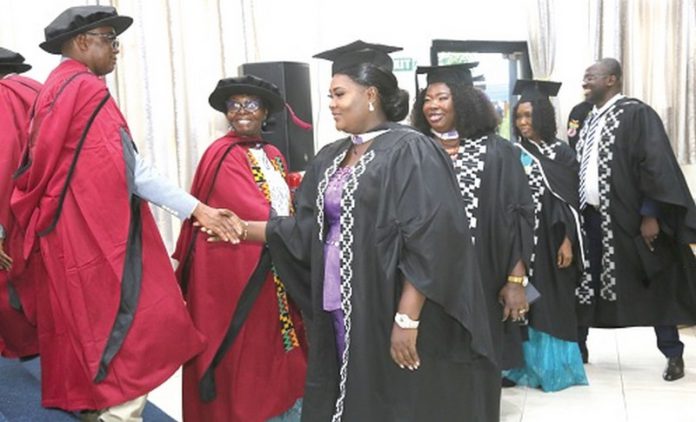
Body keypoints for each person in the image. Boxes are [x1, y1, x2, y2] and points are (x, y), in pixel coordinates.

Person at [219, 41, 497, 421]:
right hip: (340, 302)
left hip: (389, 303)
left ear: (370, 95)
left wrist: (406, 318)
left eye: (339, 94)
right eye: (330, 95)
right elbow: (305, 230)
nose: (331, 103)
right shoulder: (331, 156)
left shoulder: (411, 151)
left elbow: (431, 241)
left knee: (395, 396)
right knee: (348, 390)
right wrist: (238, 228)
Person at [10, 6, 243, 420]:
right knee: (131, 326)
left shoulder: (53, 88)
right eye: (110, 40)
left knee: (85, 329)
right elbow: (128, 168)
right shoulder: (85, 90)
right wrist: (197, 210)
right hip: (96, 238)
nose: (117, 50)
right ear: (83, 43)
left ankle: (95, 407)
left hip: (62, 235)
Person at [173, 75, 307, 422]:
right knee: (245, 354)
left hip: (277, 263)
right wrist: (299, 231)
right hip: (239, 273)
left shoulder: (273, 154)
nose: (242, 111)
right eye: (235, 105)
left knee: (276, 349)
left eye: (251, 104)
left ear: (265, 112)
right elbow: (245, 213)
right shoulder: (222, 154)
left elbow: (281, 207)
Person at [575, 58, 696, 381]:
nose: (585, 81)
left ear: (612, 79)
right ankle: (578, 348)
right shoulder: (588, 118)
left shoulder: (636, 114)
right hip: (593, 221)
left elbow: (655, 167)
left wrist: (650, 214)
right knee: (585, 282)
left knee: (655, 283)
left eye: (592, 76)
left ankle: (673, 354)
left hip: (629, 220)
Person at [411, 63, 535, 377]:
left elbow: (521, 217)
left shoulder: (498, 152)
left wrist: (516, 281)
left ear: (464, 102)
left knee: (480, 366)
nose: (433, 106)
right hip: (427, 281)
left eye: (442, 97)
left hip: (485, 277)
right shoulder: (414, 151)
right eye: (427, 98)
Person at [501, 79, 588, 392]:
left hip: (553, 240)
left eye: (529, 116)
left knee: (551, 301)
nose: (524, 122)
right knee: (522, 298)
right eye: (519, 117)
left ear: (543, 117)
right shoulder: (512, 153)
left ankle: (553, 369)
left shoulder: (562, 154)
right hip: (521, 239)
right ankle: (516, 367)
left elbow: (570, 204)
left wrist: (567, 240)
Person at [0, 47, 41, 359]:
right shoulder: (36, 92)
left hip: (10, 218)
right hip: (43, 211)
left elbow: (2, 168)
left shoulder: (3, 98)